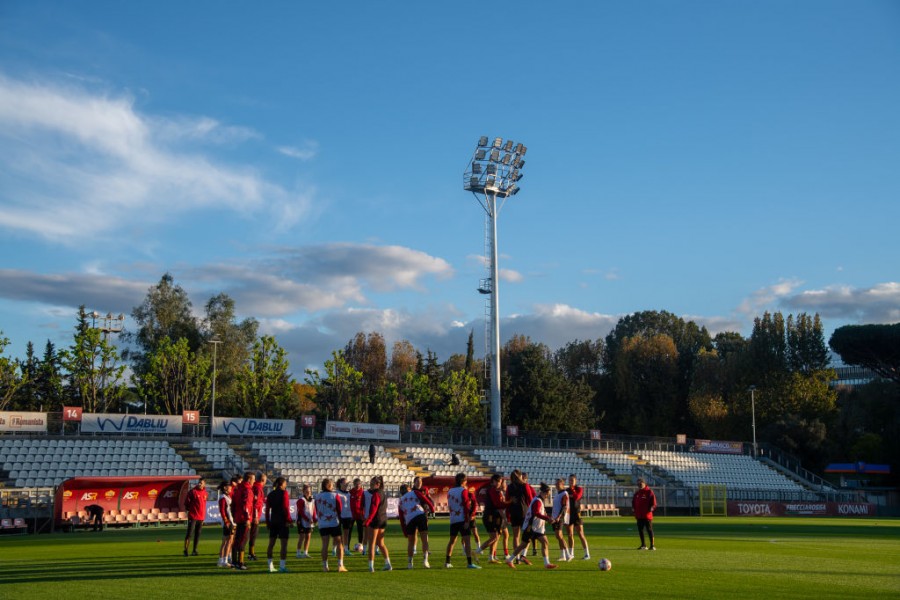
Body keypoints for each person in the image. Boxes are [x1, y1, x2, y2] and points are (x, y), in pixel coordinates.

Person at [505, 483, 557, 570]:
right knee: (523, 545)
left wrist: (547, 517)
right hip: (531, 527)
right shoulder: (537, 501)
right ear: (543, 492)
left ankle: (547, 563)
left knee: (545, 542)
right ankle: (510, 560)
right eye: (547, 494)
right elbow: (536, 513)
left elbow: (539, 512)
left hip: (537, 528)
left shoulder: (539, 500)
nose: (547, 495)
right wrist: (547, 518)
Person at [444, 472, 480, 569]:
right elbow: (465, 505)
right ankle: (469, 563)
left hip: (453, 519)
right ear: (463, 481)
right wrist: (467, 520)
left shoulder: (450, 491)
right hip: (462, 518)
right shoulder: (463, 491)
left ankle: (447, 562)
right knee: (467, 541)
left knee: (452, 541)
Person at [398, 477, 435, 569]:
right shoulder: (415, 492)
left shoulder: (400, 501)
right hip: (420, 515)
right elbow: (426, 500)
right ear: (409, 489)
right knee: (424, 539)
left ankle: (410, 563)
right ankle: (425, 561)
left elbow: (401, 518)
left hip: (409, 520)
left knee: (410, 542)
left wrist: (404, 531)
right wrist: (432, 509)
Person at [477, 473, 511, 563]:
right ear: (494, 482)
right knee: (495, 537)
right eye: (499, 482)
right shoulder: (494, 491)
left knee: (498, 536)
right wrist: (506, 517)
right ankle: (477, 552)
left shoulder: (496, 491)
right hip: (491, 516)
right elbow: (499, 506)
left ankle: (491, 556)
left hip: (494, 516)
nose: (501, 483)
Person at [315, 478, 347, 572]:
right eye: (332, 484)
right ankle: (340, 565)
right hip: (334, 523)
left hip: (322, 523)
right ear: (328, 486)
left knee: (325, 545)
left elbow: (316, 509)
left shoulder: (317, 496)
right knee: (339, 544)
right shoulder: (335, 495)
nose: (333, 486)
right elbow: (339, 509)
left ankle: (325, 566)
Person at [363, 475, 391, 572]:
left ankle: (371, 566)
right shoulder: (383, 493)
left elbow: (373, 509)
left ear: (378, 484)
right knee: (381, 543)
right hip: (383, 520)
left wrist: (368, 520)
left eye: (372, 484)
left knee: (372, 543)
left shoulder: (376, 494)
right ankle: (388, 564)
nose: (370, 485)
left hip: (376, 520)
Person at [265, 477, 292, 573]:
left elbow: (267, 510)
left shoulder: (270, 494)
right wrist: (289, 520)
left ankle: (270, 566)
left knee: (271, 544)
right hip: (282, 521)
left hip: (273, 521)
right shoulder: (284, 493)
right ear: (282, 484)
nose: (286, 485)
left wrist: (268, 522)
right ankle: (282, 566)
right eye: (285, 483)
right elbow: (285, 508)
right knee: (283, 545)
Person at [506, 469, 534, 562]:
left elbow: (507, 501)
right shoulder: (524, 485)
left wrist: (508, 515)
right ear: (520, 476)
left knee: (516, 536)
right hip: (523, 513)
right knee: (526, 535)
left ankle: (517, 557)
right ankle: (523, 555)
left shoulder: (510, 487)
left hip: (514, 512)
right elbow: (530, 499)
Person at [231, 471, 256, 570]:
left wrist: (234, 516)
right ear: (249, 480)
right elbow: (247, 506)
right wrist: (247, 518)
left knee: (237, 540)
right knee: (243, 540)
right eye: (253, 479)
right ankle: (240, 563)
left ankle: (234, 561)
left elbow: (233, 504)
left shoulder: (238, 489)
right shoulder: (247, 490)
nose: (254, 481)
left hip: (238, 517)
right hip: (244, 519)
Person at [566, 474, 590, 559]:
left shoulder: (579, 489)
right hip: (569, 514)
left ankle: (587, 554)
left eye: (572, 480)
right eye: (569, 480)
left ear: (575, 481)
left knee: (580, 534)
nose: (571, 482)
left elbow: (576, 497)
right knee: (570, 534)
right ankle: (571, 553)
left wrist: (572, 492)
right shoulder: (566, 490)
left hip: (577, 514)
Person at [184, 478, 208, 557]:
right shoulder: (192, 492)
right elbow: (186, 503)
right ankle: (186, 550)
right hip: (193, 516)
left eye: (201, 483)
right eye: (199, 482)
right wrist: (190, 510)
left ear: (204, 484)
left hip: (201, 517)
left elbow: (203, 505)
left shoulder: (205, 493)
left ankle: (194, 550)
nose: (199, 484)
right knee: (189, 533)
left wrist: (203, 516)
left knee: (197, 534)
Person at [632, 478, 657, 550]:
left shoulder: (649, 492)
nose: (639, 485)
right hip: (639, 515)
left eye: (640, 484)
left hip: (647, 515)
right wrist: (633, 509)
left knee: (649, 530)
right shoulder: (637, 493)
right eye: (638, 484)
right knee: (640, 530)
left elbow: (654, 503)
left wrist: (651, 508)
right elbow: (633, 502)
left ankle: (652, 545)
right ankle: (643, 545)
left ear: (644, 483)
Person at [551, 478, 572, 562]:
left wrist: (559, 516)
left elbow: (564, 506)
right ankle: (562, 555)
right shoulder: (557, 494)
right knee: (558, 536)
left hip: (560, 517)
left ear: (562, 484)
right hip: (554, 517)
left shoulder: (564, 493)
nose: (556, 485)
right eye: (556, 484)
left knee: (559, 535)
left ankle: (568, 554)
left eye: (558, 484)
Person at [248, 472, 266, 561]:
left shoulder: (256, 487)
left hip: (252, 515)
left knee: (252, 534)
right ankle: (251, 553)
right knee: (253, 534)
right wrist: (255, 516)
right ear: (263, 480)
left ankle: (250, 553)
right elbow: (255, 504)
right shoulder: (258, 488)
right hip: (254, 516)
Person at [217, 481, 235, 568]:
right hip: (228, 522)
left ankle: (221, 560)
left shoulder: (227, 496)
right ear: (225, 487)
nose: (231, 488)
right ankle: (224, 560)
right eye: (229, 487)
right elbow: (222, 511)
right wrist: (226, 521)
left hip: (230, 521)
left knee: (226, 541)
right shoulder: (223, 498)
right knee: (228, 541)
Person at [295, 483, 316, 558]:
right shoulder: (301, 500)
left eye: (310, 491)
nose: (309, 493)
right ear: (303, 492)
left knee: (308, 536)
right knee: (302, 537)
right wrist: (307, 519)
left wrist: (314, 519)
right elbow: (301, 512)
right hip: (301, 521)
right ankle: (298, 553)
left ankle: (305, 552)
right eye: (307, 491)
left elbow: (313, 511)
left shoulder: (312, 500)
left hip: (309, 521)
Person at [336, 478, 354, 554]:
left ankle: (346, 549)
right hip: (339, 515)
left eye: (347, 483)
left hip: (348, 515)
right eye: (345, 483)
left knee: (346, 533)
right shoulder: (336, 493)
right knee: (337, 534)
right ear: (340, 484)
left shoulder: (349, 493)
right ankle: (335, 549)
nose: (346, 484)